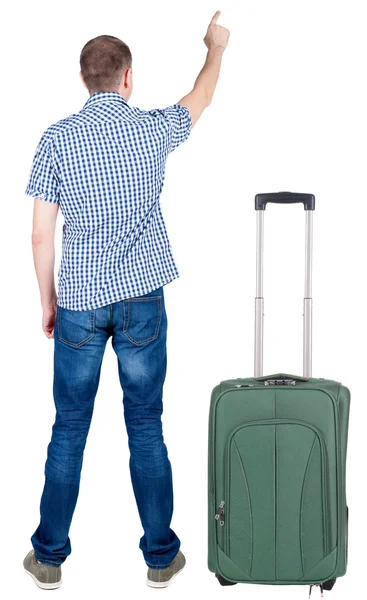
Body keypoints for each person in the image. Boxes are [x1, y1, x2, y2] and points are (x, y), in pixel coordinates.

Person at [23, 10, 230, 590]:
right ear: (127, 78)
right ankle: (161, 558)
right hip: (142, 300)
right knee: (146, 425)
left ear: (84, 80)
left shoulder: (57, 138)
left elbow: (41, 233)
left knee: (68, 428)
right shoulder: (151, 129)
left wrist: (48, 301)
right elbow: (203, 95)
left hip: (80, 303)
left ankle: (49, 558)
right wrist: (215, 47)